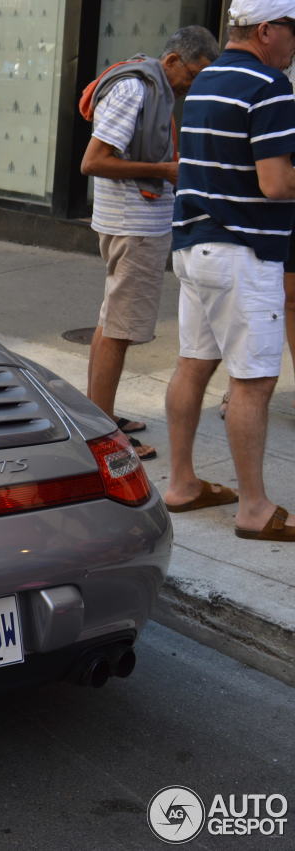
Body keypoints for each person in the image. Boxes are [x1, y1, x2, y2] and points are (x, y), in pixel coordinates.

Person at [164, 0, 295, 542]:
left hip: (194, 246)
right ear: (266, 30)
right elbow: (275, 184)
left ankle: (180, 484)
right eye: (292, 30)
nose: (294, 43)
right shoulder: (270, 86)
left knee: (193, 364)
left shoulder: (207, 78)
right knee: (254, 382)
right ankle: (254, 509)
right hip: (243, 252)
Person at [79, 27, 220, 461]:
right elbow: (94, 161)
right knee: (119, 331)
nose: (191, 85)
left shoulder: (148, 86)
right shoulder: (136, 90)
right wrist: (163, 171)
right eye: (193, 75)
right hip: (133, 225)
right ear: (174, 60)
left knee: (112, 323)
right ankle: (104, 435)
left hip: (133, 222)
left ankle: (102, 415)